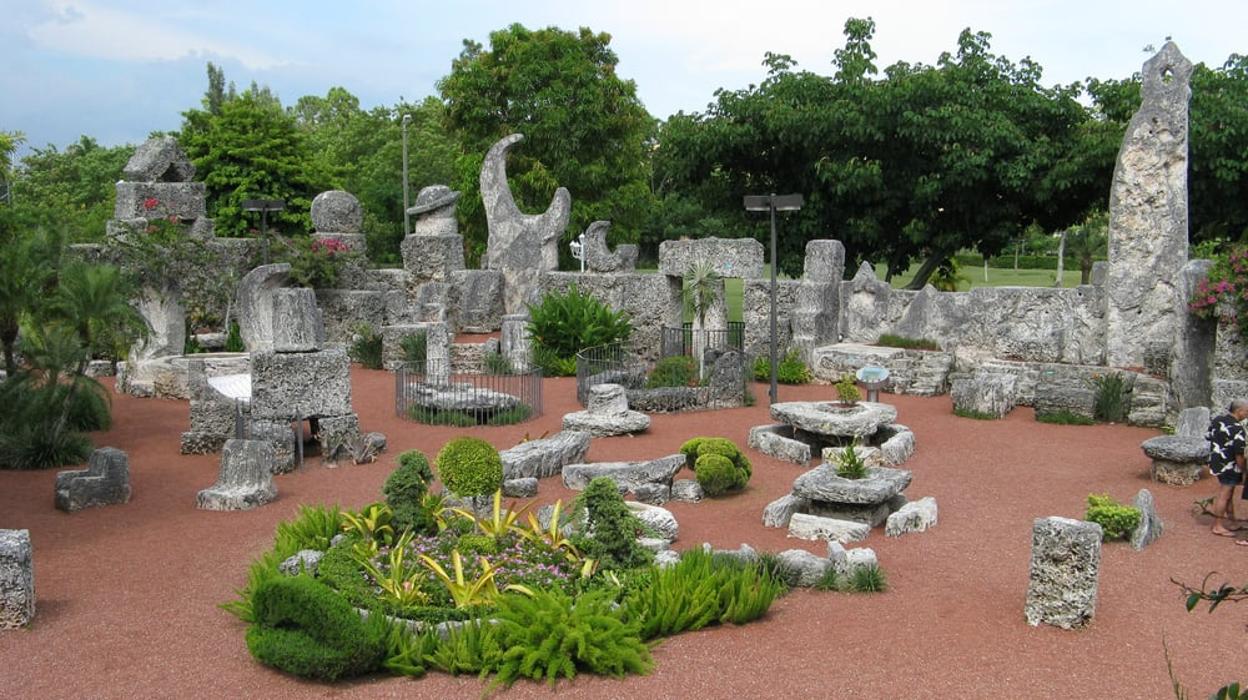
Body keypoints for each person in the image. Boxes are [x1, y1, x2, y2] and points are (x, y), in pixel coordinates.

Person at [1207, 399, 1248, 538]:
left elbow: (1208, 436)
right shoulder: (1238, 429)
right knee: (1225, 494)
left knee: (1229, 494)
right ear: (1239, 411)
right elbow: (1239, 454)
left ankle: (1232, 521)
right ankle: (1217, 525)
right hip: (1230, 466)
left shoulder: (1217, 420)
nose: (1247, 415)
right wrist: (1243, 470)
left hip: (1216, 462)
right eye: (1246, 411)